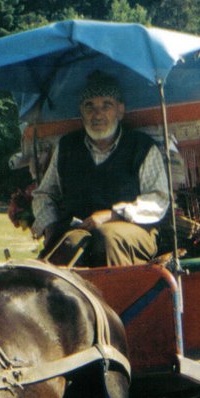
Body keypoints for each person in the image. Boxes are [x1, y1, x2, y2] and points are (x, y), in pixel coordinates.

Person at [31, 70, 169, 266]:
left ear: (120, 110)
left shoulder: (142, 147)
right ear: (81, 111)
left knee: (106, 237)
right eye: (90, 106)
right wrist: (51, 227)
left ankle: (118, 297)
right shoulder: (67, 147)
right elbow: (44, 193)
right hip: (79, 230)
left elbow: (158, 199)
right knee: (67, 246)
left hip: (134, 228)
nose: (97, 114)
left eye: (107, 105)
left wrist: (112, 215)